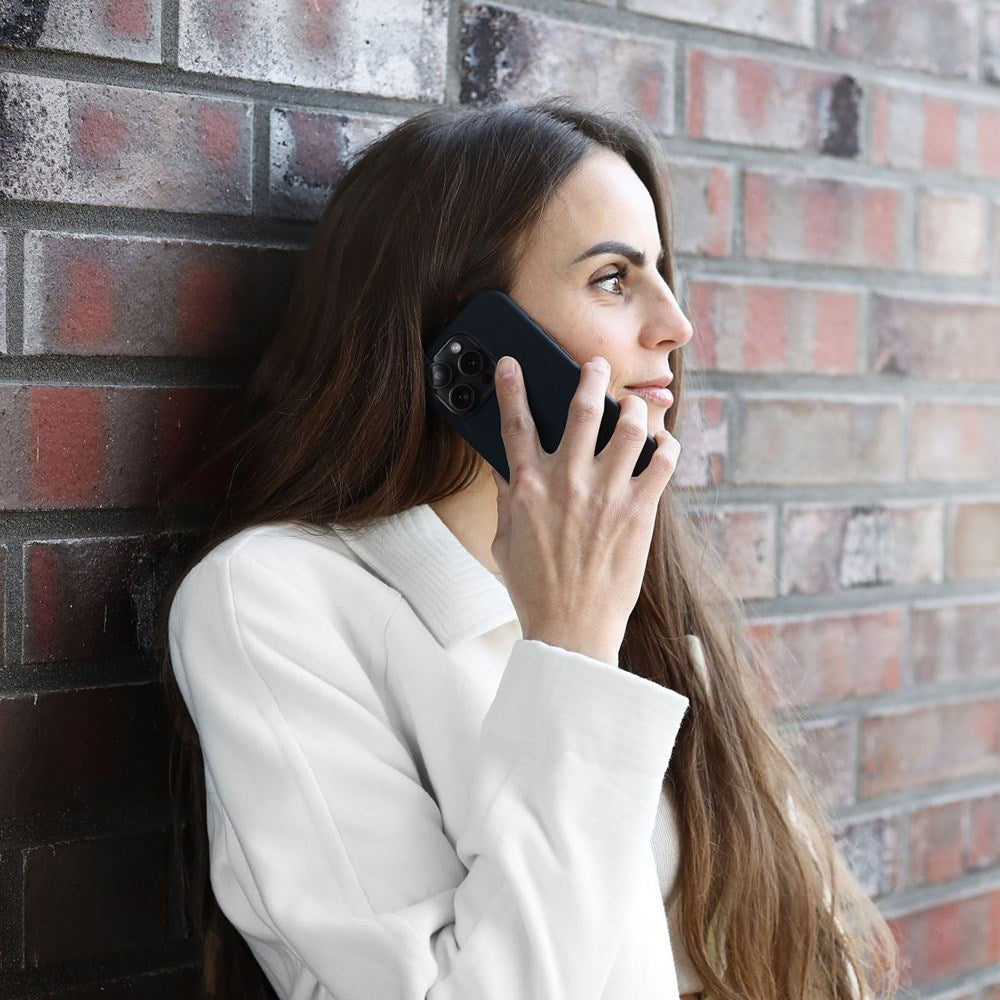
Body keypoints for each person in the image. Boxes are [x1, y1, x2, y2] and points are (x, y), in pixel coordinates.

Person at [157, 96, 900, 1000]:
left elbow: (800, 943)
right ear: (469, 341)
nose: (676, 325)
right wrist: (572, 650)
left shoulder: (636, 580)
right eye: (614, 279)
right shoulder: (272, 599)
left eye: (660, 273)